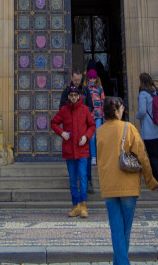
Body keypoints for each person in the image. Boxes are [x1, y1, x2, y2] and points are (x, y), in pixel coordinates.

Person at [95, 95, 158, 265]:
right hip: (128, 185)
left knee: (116, 229)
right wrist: (150, 180)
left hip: (109, 185)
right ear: (116, 112)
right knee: (125, 229)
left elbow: (100, 158)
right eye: (121, 107)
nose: (123, 109)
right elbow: (142, 156)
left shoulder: (99, 131)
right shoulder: (128, 128)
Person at [51, 83, 96, 217]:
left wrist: (86, 136)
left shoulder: (85, 110)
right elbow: (53, 123)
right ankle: (75, 205)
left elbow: (92, 126)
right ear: (68, 97)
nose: (74, 97)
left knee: (82, 177)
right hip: (69, 150)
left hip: (82, 150)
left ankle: (83, 206)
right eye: (71, 95)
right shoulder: (64, 110)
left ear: (79, 96)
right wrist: (62, 133)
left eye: (75, 95)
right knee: (72, 180)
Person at [138, 72, 158, 183]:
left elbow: (142, 111)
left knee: (154, 157)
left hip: (150, 132)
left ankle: (157, 181)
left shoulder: (143, 94)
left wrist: (136, 115)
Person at [84, 66, 105, 188]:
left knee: (99, 135)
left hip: (98, 115)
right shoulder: (86, 89)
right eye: (90, 78)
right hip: (89, 116)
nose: (92, 80)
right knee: (91, 137)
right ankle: (93, 157)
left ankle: (99, 156)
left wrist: (105, 116)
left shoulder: (100, 88)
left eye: (94, 78)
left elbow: (103, 101)